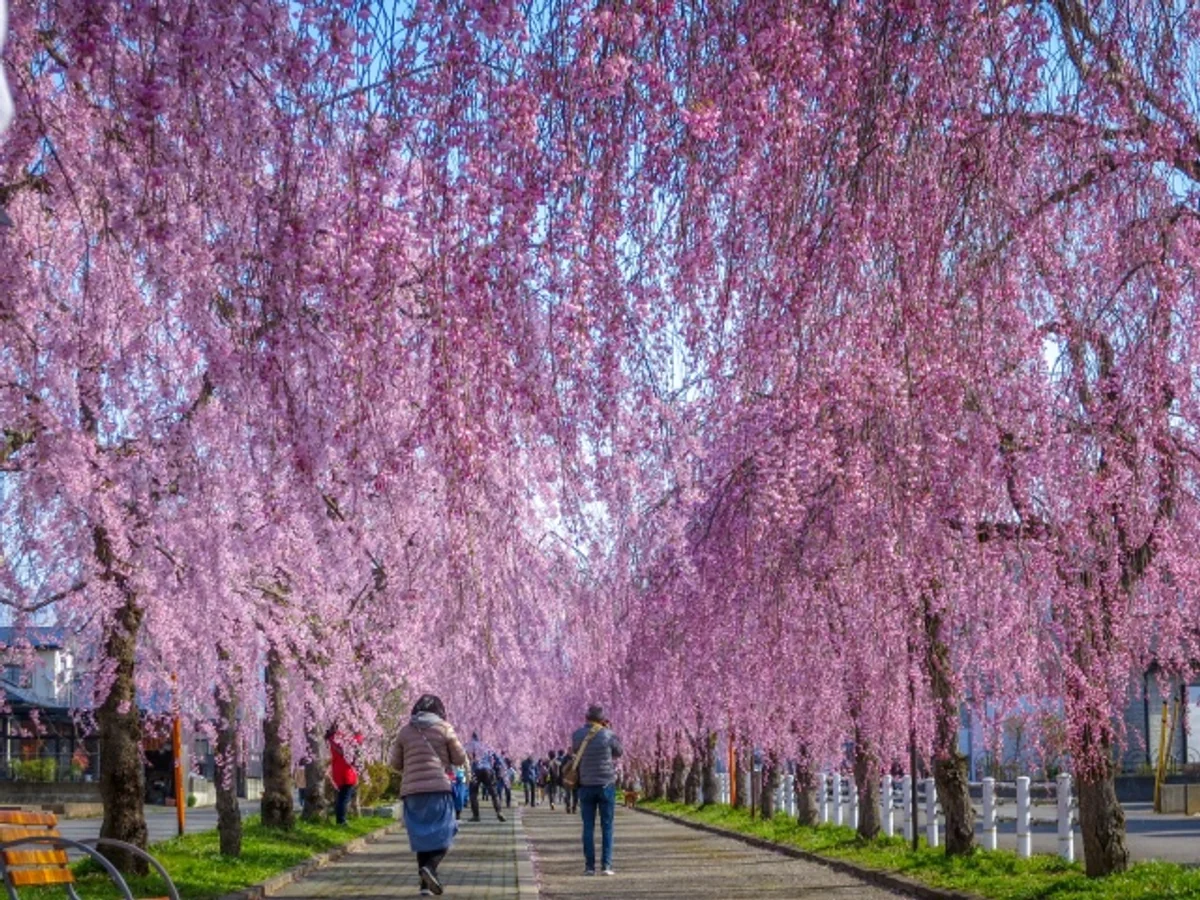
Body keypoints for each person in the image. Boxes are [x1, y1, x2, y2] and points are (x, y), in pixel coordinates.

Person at [389, 693, 468, 897]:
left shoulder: (405, 731)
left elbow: (394, 764)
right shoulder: (444, 728)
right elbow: (460, 758)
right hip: (438, 788)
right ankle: (430, 867)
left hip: (412, 792)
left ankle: (424, 887)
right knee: (447, 831)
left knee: (421, 836)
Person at [572, 704, 623, 876]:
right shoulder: (608, 734)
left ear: (586, 718)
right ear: (602, 720)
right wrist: (610, 730)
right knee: (607, 826)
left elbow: (575, 751)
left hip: (586, 785)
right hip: (606, 785)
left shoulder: (577, 735)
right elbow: (619, 752)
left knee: (588, 827)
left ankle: (589, 867)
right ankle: (606, 866)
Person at [464, 732, 506, 822]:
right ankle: (499, 812)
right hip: (488, 770)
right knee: (494, 793)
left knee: (473, 793)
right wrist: (499, 771)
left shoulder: (469, 745)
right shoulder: (487, 745)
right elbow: (498, 759)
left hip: (476, 770)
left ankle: (476, 815)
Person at [325, 724, 361, 826]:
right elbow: (354, 743)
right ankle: (341, 820)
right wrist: (358, 734)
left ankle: (340, 819)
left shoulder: (332, 739)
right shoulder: (339, 738)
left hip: (338, 769)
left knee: (342, 797)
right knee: (344, 798)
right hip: (346, 771)